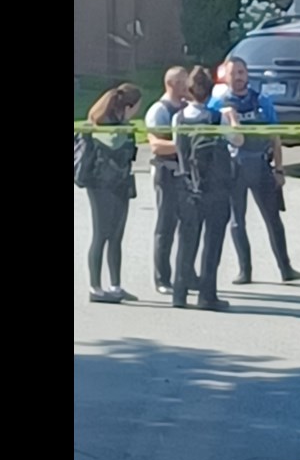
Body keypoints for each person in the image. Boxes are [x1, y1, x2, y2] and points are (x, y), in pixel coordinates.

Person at [208, 56, 300, 285]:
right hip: (234, 168)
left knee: (273, 219)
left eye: (242, 72)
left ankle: (286, 268)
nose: (238, 77)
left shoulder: (262, 100)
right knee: (237, 220)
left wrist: (279, 169)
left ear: (247, 74)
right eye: (234, 73)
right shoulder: (218, 104)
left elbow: (275, 137)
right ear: (226, 76)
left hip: (261, 165)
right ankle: (245, 271)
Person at [172, 66, 245, 311]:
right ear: (210, 90)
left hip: (187, 185)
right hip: (216, 188)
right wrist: (233, 118)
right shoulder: (218, 118)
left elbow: (177, 145)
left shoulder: (178, 118)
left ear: (189, 91)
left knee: (186, 241)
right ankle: (207, 295)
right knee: (212, 242)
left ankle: (179, 294)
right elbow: (238, 140)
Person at [79, 83, 143, 303]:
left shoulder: (121, 124)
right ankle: (95, 287)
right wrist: (125, 123)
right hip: (101, 185)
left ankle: (116, 285)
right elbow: (113, 146)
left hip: (120, 184)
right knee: (101, 234)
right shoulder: (103, 125)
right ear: (128, 106)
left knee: (116, 236)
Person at [145, 66, 197, 295]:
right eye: (184, 83)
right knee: (166, 227)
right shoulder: (159, 111)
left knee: (189, 226)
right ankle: (162, 278)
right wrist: (186, 146)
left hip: (186, 174)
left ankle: (187, 274)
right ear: (172, 85)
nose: (189, 87)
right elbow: (155, 145)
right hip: (166, 173)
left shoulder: (187, 109)